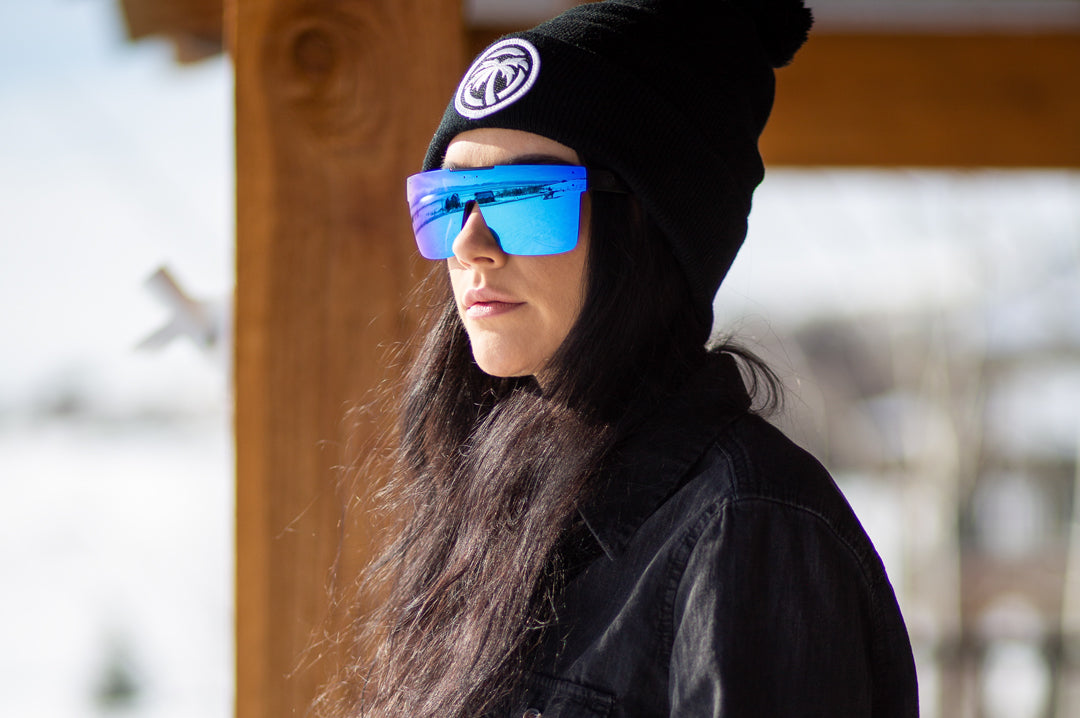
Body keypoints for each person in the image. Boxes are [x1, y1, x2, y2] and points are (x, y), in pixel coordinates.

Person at [324, 1, 919, 716]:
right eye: (447, 203)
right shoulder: (496, 507)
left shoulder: (749, 529)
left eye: (523, 201)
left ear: (647, 224)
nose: (469, 245)